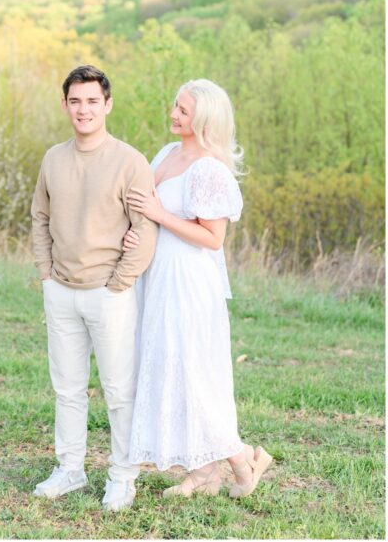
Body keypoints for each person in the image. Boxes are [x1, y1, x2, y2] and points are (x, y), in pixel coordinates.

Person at [124, 79, 272, 498]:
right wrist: (137, 233)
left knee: (194, 372)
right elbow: (148, 211)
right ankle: (205, 471)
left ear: (203, 119)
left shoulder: (209, 167)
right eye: (175, 105)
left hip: (189, 280)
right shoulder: (168, 154)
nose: (173, 114)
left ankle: (244, 460)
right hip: (158, 276)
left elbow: (212, 238)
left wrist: (157, 213)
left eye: (183, 111)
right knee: (170, 367)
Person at [30, 65, 159, 512]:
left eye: (91, 101)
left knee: (119, 390)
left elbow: (145, 228)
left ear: (107, 105)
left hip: (110, 293)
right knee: (67, 388)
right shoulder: (53, 158)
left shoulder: (129, 161)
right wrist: (46, 273)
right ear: (65, 104)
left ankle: (123, 477)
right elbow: (40, 218)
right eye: (75, 101)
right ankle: (70, 469)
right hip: (61, 289)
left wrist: (119, 283)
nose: (83, 109)